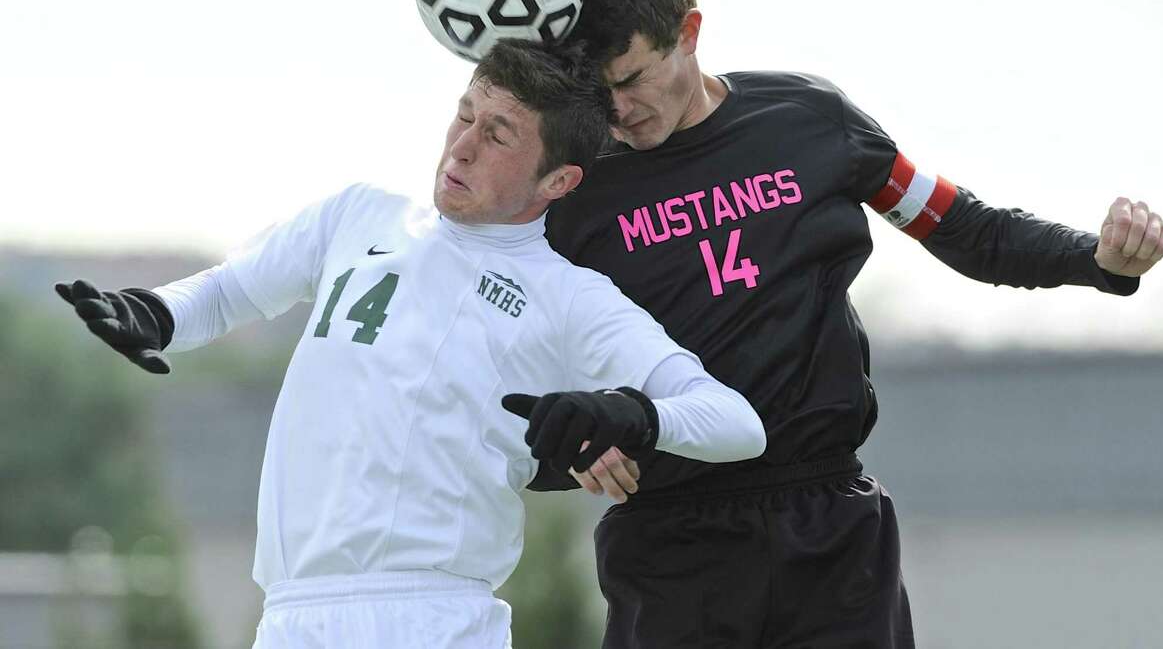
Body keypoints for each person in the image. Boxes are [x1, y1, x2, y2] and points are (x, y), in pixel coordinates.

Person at [535, 0, 1163, 647]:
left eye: (632, 78)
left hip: (828, 531)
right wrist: (581, 444)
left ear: (689, 32)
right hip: (670, 540)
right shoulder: (570, 185)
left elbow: (966, 228)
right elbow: (515, 353)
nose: (617, 109)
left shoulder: (812, 122)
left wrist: (1099, 258)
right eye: (598, 89)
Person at [54, 39, 767, 649]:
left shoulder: (569, 296)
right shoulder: (358, 213)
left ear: (558, 179)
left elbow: (739, 424)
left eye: (497, 135)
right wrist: (157, 312)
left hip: (431, 616)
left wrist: (632, 415)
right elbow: (228, 291)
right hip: (290, 616)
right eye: (465, 113)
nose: (461, 145)